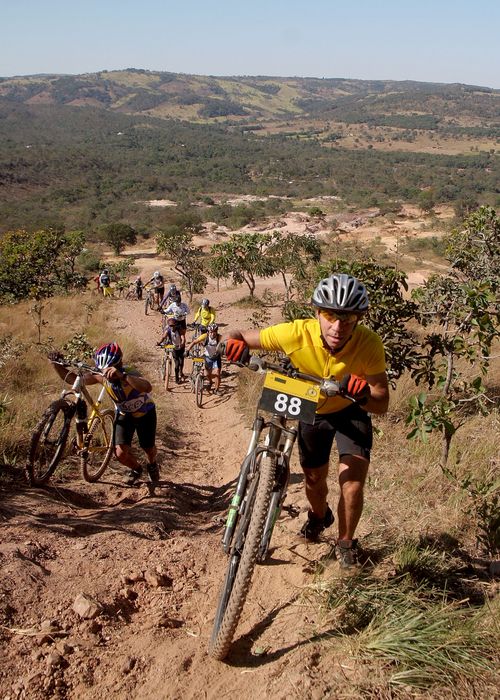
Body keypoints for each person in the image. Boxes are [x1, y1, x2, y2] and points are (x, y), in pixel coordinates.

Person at [224, 273, 389, 569]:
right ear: (317, 313)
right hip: (311, 407)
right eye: (330, 315)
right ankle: (318, 515)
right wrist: (232, 345)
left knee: (351, 484)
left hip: (351, 410)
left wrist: (363, 394)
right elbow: (238, 335)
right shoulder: (296, 333)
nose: (338, 326)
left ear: (358, 319)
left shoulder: (369, 344)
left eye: (348, 318)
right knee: (313, 479)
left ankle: (346, 543)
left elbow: (383, 401)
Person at [48, 342, 159, 486]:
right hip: (125, 415)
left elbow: (147, 386)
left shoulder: (130, 373)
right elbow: (74, 380)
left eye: (110, 369)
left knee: (148, 448)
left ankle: (152, 463)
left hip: (145, 414)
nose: (107, 375)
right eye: (103, 370)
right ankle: (136, 469)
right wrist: (56, 365)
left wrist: (123, 376)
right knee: (119, 454)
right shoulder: (101, 376)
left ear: (119, 364)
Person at [186, 322, 223, 393]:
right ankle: (210, 382)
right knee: (207, 374)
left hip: (216, 358)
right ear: (208, 331)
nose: (213, 334)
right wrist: (187, 350)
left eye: (214, 332)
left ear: (217, 332)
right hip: (207, 357)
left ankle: (216, 390)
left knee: (217, 373)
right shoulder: (205, 336)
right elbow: (194, 342)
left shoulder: (219, 337)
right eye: (211, 332)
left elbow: (226, 344)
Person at [157, 314, 186, 383]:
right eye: (170, 326)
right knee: (177, 364)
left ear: (176, 325)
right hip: (174, 348)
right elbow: (163, 337)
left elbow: (183, 339)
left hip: (181, 347)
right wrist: (159, 342)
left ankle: (181, 372)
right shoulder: (168, 331)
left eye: (173, 326)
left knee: (181, 362)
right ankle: (177, 379)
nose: (172, 327)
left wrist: (181, 345)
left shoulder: (180, 330)